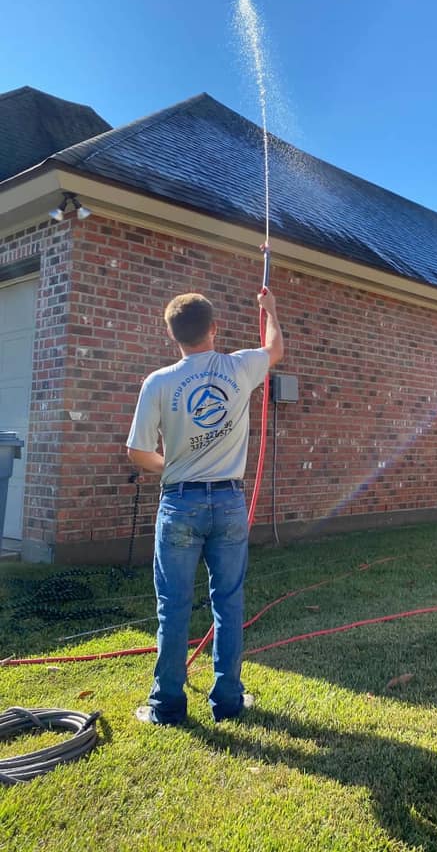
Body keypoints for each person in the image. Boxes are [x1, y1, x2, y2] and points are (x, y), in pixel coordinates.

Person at [126, 288, 284, 725]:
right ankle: (228, 702)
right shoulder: (238, 366)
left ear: (173, 335)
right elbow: (275, 349)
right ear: (214, 329)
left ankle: (167, 706)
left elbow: (138, 453)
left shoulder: (158, 383)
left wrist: (172, 465)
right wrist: (269, 310)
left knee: (173, 606)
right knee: (228, 604)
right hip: (230, 503)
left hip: (179, 502)